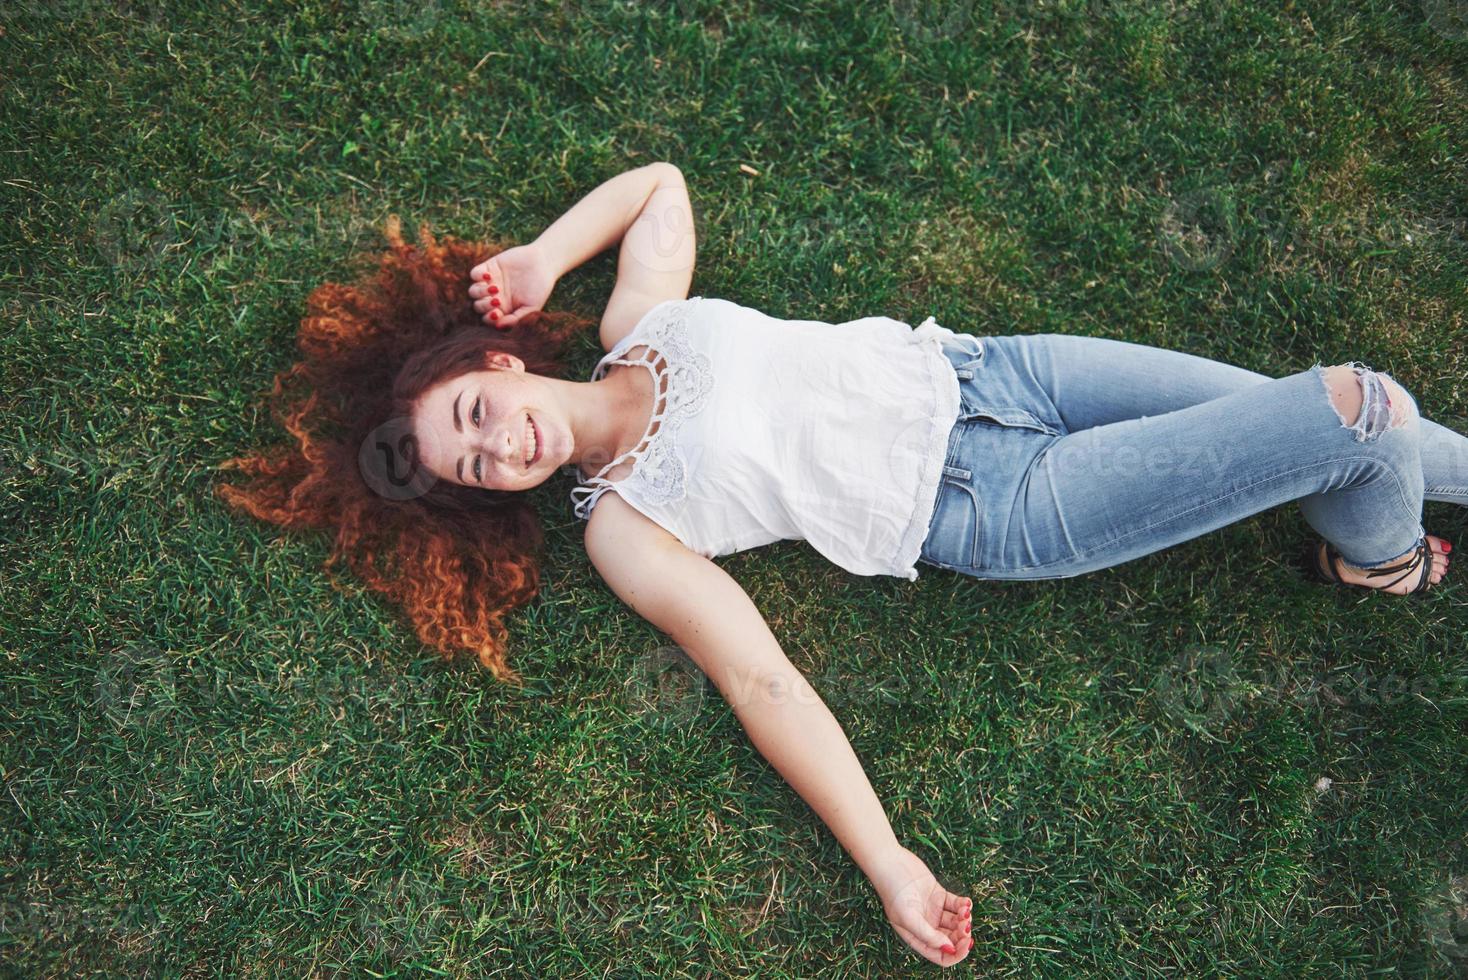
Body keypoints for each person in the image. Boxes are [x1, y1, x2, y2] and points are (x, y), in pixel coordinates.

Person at [221, 162, 1462, 968]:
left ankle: (1377, 530)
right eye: (478, 470)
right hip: (996, 503)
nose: (503, 449)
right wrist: (888, 860)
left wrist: (544, 257)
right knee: (1353, 412)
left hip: (991, 369)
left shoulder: (632, 325)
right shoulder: (622, 526)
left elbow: (658, 189)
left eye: (479, 421)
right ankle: (1385, 559)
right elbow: (763, 684)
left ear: (495, 368)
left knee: (1368, 418)